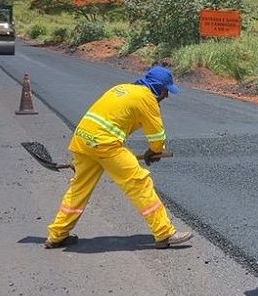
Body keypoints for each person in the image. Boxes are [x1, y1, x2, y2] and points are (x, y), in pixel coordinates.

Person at [45, 65, 194, 249]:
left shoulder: (122, 88)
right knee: (139, 182)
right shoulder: (147, 98)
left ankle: (57, 235)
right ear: (157, 88)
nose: (167, 96)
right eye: (166, 91)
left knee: (79, 189)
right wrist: (154, 151)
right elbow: (157, 137)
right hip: (105, 144)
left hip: (82, 139)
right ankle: (164, 233)